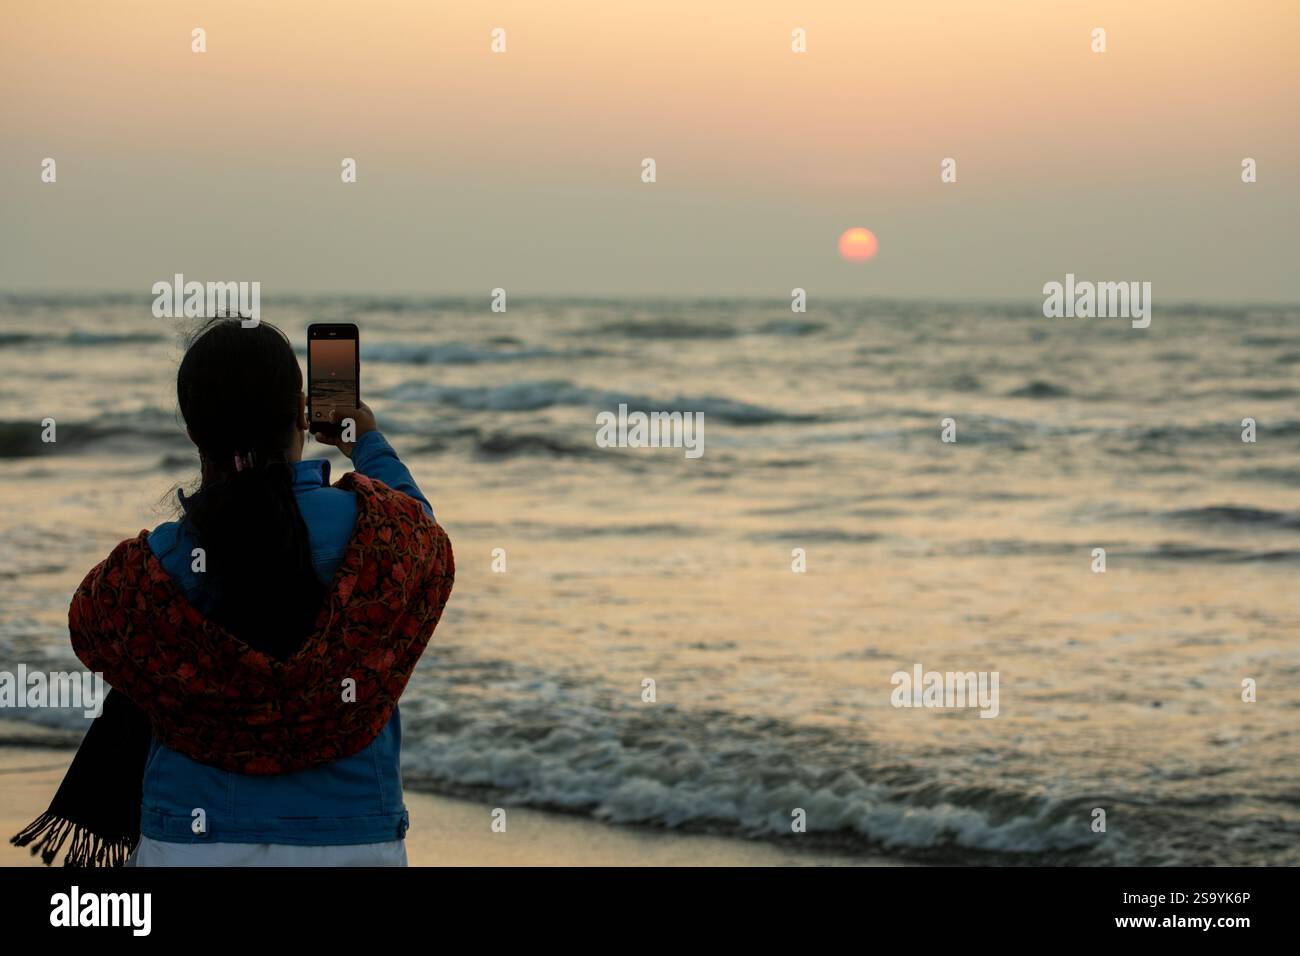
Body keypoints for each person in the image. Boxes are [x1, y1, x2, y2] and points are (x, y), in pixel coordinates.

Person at [10, 318, 454, 867]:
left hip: (191, 837)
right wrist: (365, 442)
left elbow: (92, 620)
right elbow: (422, 535)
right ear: (300, 414)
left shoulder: (159, 563)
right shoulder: (382, 535)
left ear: (196, 433)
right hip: (353, 837)